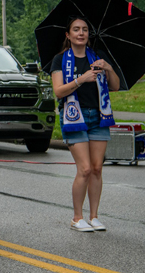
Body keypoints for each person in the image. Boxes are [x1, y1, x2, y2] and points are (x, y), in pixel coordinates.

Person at [50, 16, 120, 232]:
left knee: (97, 169)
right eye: (76, 29)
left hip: (98, 117)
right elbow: (58, 91)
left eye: (85, 30)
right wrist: (82, 79)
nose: (81, 33)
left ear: (89, 35)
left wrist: (107, 67)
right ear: (68, 35)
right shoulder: (60, 60)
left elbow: (115, 86)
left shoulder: (98, 58)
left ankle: (94, 216)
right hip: (74, 117)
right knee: (85, 168)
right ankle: (77, 217)